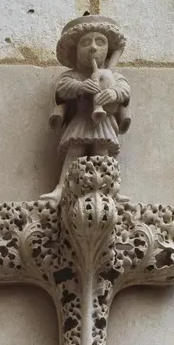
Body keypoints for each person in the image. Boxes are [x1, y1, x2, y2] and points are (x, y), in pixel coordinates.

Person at [43, 14, 131, 204]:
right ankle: (61, 188)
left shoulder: (111, 75)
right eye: (86, 43)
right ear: (76, 51)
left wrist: (114, 94)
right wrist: (80, 87)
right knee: (74, 150)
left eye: (100, 42)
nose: (93, 47)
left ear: (108, 50)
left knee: (102, 152)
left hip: (104, 120)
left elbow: (124, 89)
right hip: (82, 119)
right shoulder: (74, 75)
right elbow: (63, 87)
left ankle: (110, 190)